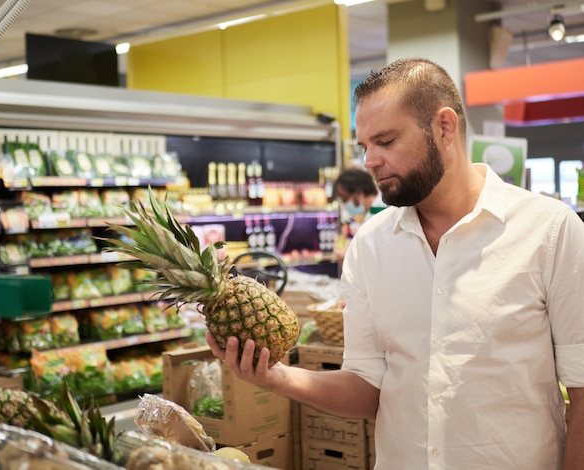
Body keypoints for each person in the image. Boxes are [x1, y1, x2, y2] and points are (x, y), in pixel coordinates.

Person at [207, 57, 584, 469]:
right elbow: (367, 388)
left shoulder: (549, 230)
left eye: (385, 142)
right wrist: (276, 377)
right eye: (364, 146)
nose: (369, 161)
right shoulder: (371, 245)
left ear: (444, 127)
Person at [333, 167, 384, 264]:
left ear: (359, 194)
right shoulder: (372, 213)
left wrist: (348, 259)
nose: (344, 205)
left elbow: (376, 260)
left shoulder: (380, 214)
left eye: (345, 199)